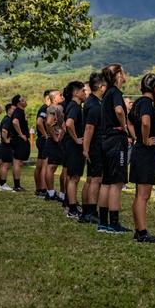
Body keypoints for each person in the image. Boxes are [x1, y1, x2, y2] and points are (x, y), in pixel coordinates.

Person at [128, 73, 155, 243]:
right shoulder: (147, 103)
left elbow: (129, 122)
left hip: (138, 151)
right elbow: (146, 122)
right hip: (145, 153)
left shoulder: (138, 102)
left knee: (139, 194)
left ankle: (138, 230)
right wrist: (145, 138)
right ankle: (142, 232)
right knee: (143, 195)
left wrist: (136, 138)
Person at [99, 64, 130, 233]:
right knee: (116, 183)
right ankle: (114, 223)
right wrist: (124, 125)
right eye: (124, 72)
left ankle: (103, 222)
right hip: (116, 140)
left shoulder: (106, 93)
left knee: (106, 181)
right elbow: (119, 110)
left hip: (105, 139)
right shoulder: (116, 92)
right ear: (119, 74)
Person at [80, 72, 106, 224]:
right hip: (95, 146)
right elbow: (89, 128)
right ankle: (91, 212)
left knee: (90, 179)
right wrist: (86, 149)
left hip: (93, 146)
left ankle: (85, 212)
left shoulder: (91, 102)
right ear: (101, 87)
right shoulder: (94, 105)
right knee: (96, 179)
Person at [62, 81, 87, 219]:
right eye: (83, 91)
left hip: (72, 144)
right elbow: (69, 123)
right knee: (74, 178)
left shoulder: (75, 107)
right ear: (76, 93)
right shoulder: (74, 107)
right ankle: (71, 208)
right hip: (73, 145)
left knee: (74, 177)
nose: (85, 93)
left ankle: (71, 205)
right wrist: (76, 138)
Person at [44, 91, 66, 202]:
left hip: (56, 139)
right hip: (54, 141)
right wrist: (55, 137)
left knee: (54, 166)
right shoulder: (53, 108)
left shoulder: (57, 108)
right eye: (60, 95)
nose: (62, 97)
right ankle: (51, 193)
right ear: (54, 99)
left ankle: (53, 192)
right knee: (52, 167)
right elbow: (48, 123)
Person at [33, 90, 54, 196]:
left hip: (40, 140)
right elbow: (39, 122)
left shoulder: (44, 108)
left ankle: (38, 189)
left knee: (39, 165)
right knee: (45, 166)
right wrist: (46, 135)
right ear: (47, 98)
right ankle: (42, 189)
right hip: (43, 139)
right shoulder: (45, 108)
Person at [9, 94, 30, 192]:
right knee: (18, 162)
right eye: (23, 100)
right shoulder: (18, 112)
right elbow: (15, 122)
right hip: (18, 140)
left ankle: (17, 185)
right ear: (18, 103)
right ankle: (17, 186)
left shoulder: (20, 112)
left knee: (19, 162)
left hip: (17, 139)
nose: (25, 101)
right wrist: (21, 135)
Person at [0, 104, 15, 191]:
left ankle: (2, 184)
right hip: (5, 145)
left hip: (3, 145)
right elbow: (4, 130)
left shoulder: (6, 119)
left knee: (5, 165)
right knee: (6, 165)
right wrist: (6, 140)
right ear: (9, 111)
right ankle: (2, 184)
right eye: (13, 109)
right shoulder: (7, 119)